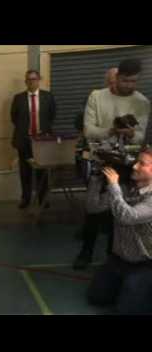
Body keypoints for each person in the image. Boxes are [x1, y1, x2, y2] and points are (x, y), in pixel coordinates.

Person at [86, 147, 152, 314]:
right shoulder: (125, 188)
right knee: (96, 297)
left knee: (127, 310)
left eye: (142, 164)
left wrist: (114, 186)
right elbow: (93, 207)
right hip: (120, 260)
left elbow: (127, 217)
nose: (135, 166)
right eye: (136, 161)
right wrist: (95, 178)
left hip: (146, 264)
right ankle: (130, 287)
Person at [73, 68, 118, 270]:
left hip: (122, 164)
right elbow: (87, 129)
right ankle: (86, 252)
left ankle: (113, 257)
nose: (114, 85)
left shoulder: (133, 102)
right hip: (98, 165)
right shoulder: (96, 99)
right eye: (110, 81)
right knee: (93, 211)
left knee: (116, 215)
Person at [10, 70, 57, 209]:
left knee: (42, 172)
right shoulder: (18, 98)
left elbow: (51, 116)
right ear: (26, 82)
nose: (31, 82)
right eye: (29, 80)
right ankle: (26, 199)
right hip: (24, 141)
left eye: (34, 79)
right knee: (25, 171)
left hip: (43, 141)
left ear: (39, 80)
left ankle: (43, 199)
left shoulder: (48, 97)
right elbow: (14, 118)